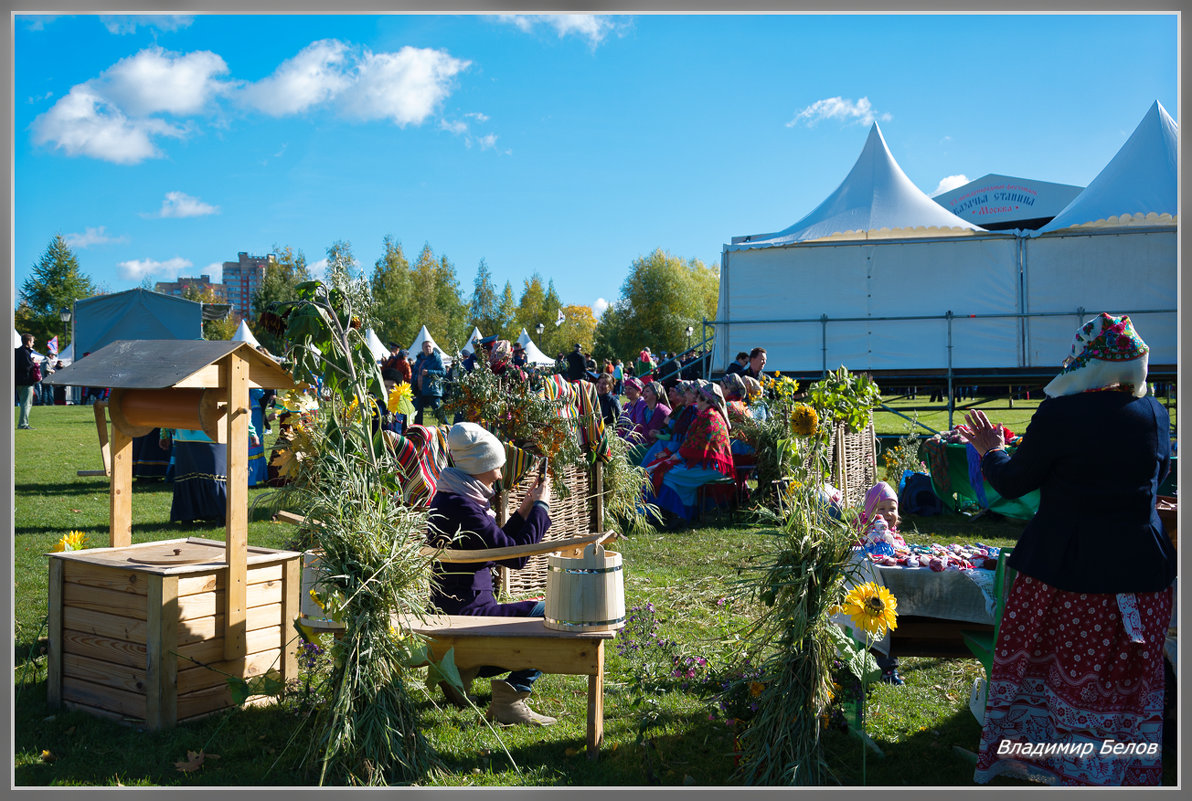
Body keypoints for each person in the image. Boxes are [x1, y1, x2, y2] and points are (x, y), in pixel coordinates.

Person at [956, 313, 1175, 786]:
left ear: (1084, 362)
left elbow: (1014, 482)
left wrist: (991, 450)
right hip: (1144, 578)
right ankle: (1117, 770)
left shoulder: (1062, 415)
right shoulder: (1157, 414)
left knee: (1062, 678)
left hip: (1072, 577)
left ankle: (1062, 768)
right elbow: (1159, 481)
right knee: (1126, 686)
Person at [425, 422, 556, 725]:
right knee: (552, 615)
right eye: (495, 467)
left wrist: (525, 510)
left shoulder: (452, 497)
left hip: (453, 609)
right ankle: (511, 698)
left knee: (539, 611)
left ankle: (461, 670)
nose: (499, 475)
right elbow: (516, 557)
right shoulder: (465, 507)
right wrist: (542, 508)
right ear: (479, 466)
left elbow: (496, 548)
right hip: (470, 615)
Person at [643, 382, 735, 524]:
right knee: (672, 476)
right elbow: (692, 442)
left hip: (713, 467)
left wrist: (676, 456)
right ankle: (683, 515)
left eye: (699, 396)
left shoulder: (709, 417)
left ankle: (671, 514)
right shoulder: (708, 415)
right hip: (708, 464)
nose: (695, 398)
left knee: (666, 474)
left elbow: (695, 444)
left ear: (706, 400)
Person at [412, 340, 446, 426]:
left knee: (438, 412)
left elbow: (443, 372)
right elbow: (415, 372)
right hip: (420, 390)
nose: (428, 348)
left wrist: (429, 372)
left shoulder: (436, 357)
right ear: (422, 348)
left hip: (432, 390)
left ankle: (448, 427)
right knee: (417, 412)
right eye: (426, 347)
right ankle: (418, 430)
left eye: (429, 346)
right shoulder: (420, 358)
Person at [14, 333, 38, 430]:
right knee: (26, 404)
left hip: (18, 381)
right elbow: (26, 367)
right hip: (26, 381)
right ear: (28, 342)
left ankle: (23, 423)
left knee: (24, 403)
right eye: (32, 341)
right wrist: (34, 363)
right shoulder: (25, 352)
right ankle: (23, 424)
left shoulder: (18, 351)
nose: (33, 344)